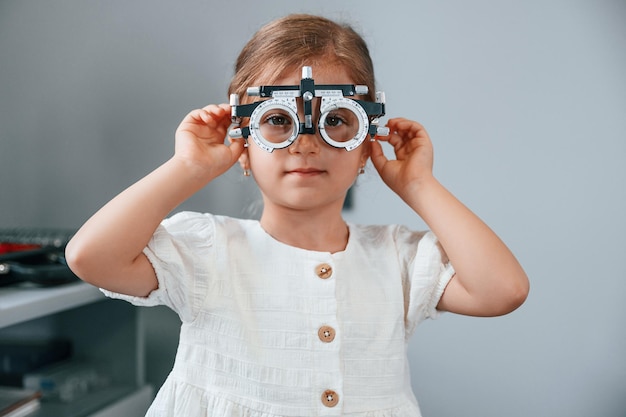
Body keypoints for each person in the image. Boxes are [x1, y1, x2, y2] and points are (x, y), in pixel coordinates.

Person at [65, 13, 529, 417]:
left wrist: (418, 185)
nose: (307, 142)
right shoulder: (208, 249)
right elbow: (91, 257)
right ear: (243, 145)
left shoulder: (397, 258)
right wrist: (187, 168)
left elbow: (502, 290)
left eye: (336, 120)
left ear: (366, 144)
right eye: (278, 119)